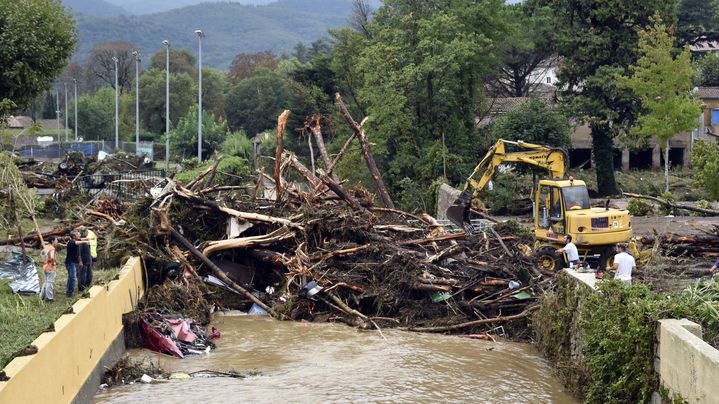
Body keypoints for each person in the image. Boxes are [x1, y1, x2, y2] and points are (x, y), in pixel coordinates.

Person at [41, 236, 58, 302]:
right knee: (50, 283)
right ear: (52, 241)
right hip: (50, 267)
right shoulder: (52, 248)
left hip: (45, 266)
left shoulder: (46, 247)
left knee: (46, 282)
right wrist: (53, 262)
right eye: (56, 240)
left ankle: (42, 296)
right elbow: (52, 257)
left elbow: (42, 254)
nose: (57, 241)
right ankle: (49, 298)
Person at [65, 231, 80, 296]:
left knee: (71, 277)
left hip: (73, 262)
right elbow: (77, 242)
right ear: (74, 236)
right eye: (77, 234)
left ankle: (69, 290)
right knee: (72, 277)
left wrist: (88, 239)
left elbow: (81, 240)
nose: (79, 235)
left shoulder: (75, 241)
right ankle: (69, 292)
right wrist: (86, 241)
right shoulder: (71, 242)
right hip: (70, 263)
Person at [77, 227, 92, 292]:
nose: (88, 232)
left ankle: (87, 286)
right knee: (82, 275)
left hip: (88, 260)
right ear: (83, 233)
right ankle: (81, 288)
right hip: (83, 261)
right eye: (86, 231)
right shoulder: (80, 241)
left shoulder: (86, 240)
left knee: (89, 275)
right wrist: (80, 261)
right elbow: (78, 252)